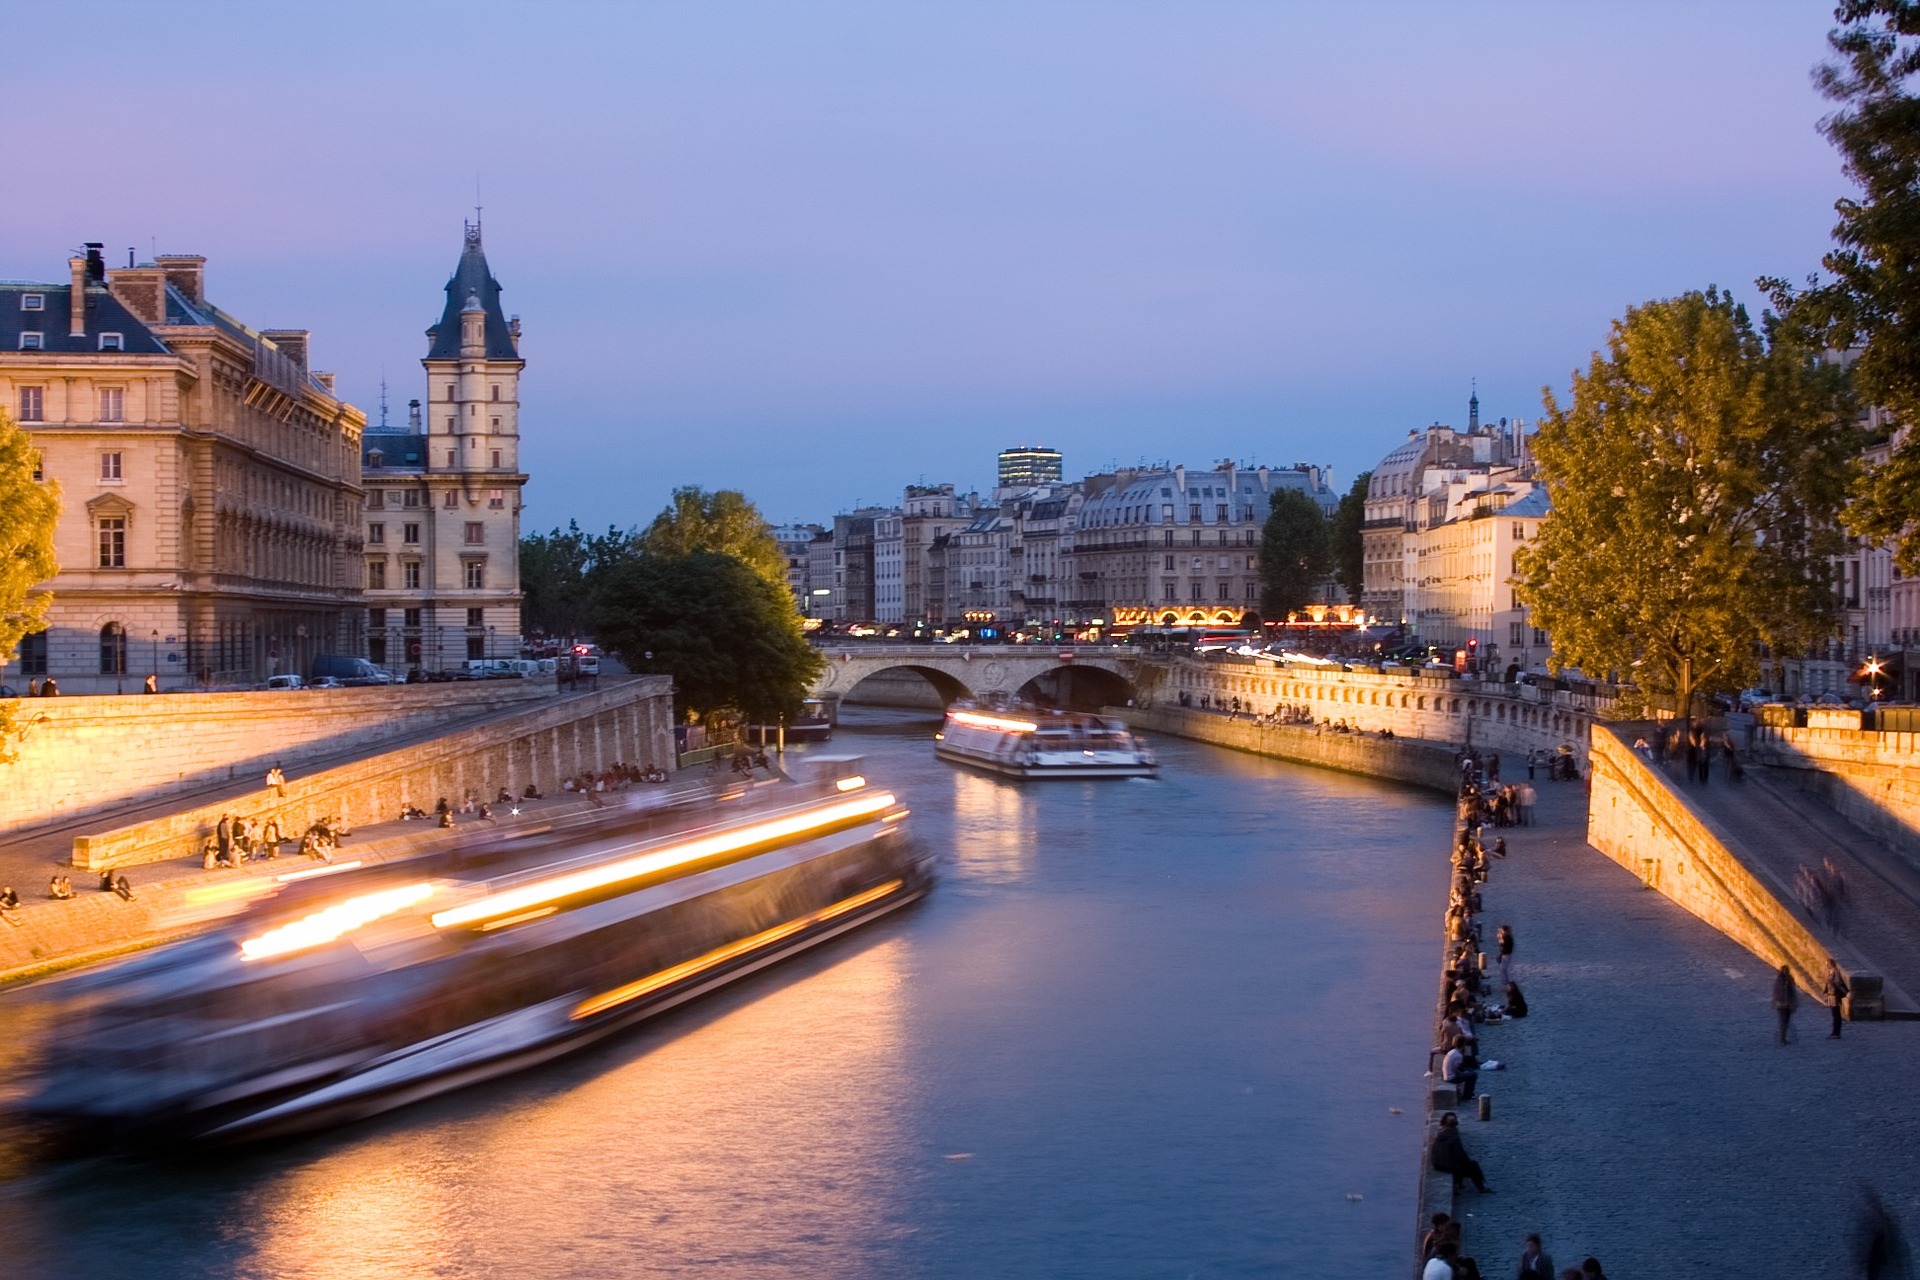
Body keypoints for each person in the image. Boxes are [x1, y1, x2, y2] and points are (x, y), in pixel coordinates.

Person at [1430, 1111, 1491, 1193]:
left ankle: (1459, 1184)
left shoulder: (1441, 1134)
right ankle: (1481, 1188)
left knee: (1458, 1162)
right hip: (1446, 1165)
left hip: (1437, 1164)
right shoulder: (1453, 1137)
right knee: (1473, 1166)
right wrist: (1469, 1163)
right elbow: (1460, 1156)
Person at [1772, 964, 1798, 1045]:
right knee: (1783, 1021)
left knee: (1786, 1022)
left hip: (1788, 1004)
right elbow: (1777, 992)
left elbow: (1793, 991)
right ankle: (1782, 1038)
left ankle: (1783, 1037)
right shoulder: (1779, 981)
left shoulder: (1789, 980)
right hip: (1782, 1004)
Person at [1827, 959, 1851, 1040]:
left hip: (1835, 996)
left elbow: (1838, 984)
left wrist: (1846, 993)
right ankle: (1834, 1032)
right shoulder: (1831, 972)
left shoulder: (1835, 972)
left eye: (1827, 964)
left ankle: (1836, 1032)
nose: (1826, 966)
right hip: (1831, 996)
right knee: (1834, 1015)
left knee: (1836, 1015)